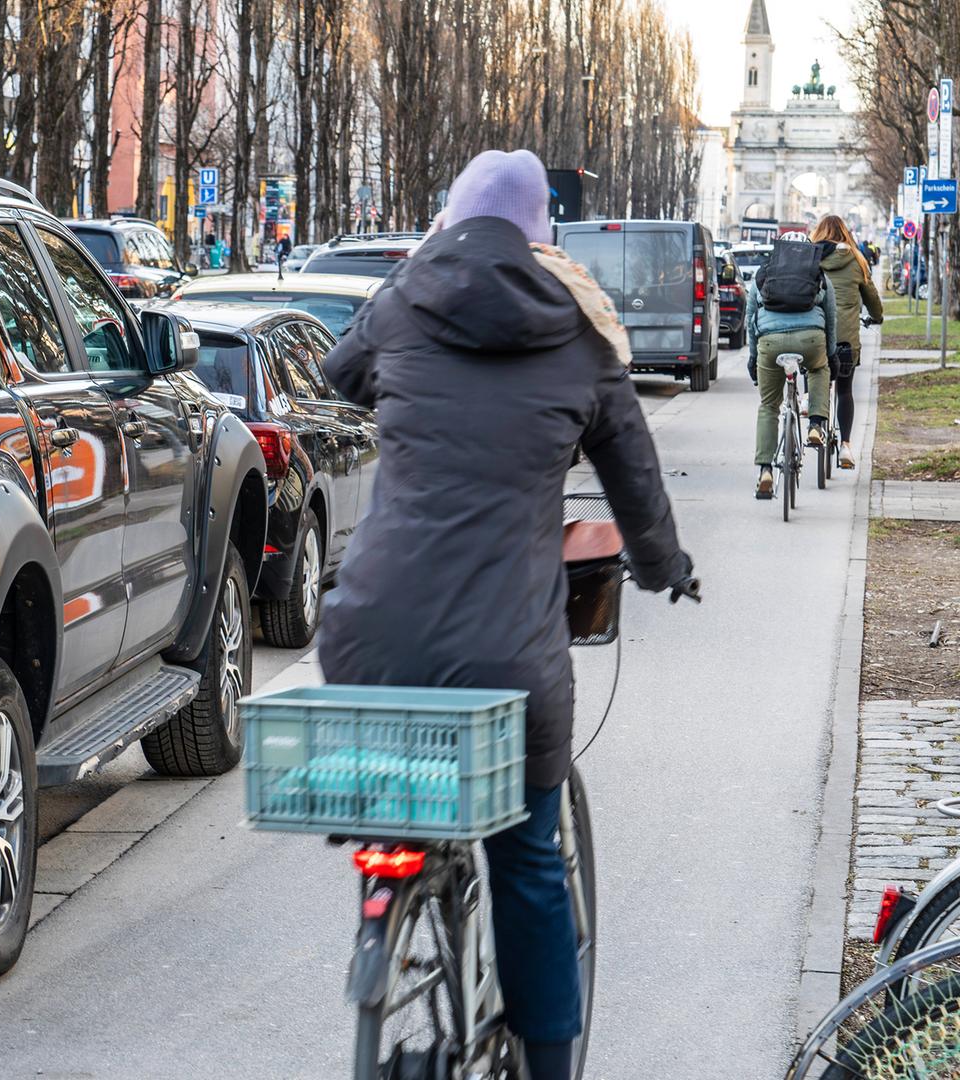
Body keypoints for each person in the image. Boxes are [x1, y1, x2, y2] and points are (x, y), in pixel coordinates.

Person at [321, 148, 696, 1080]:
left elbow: (341, 374)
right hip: (508, 660)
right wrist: (664, 568)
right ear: (545, 233)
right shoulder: (579, 333)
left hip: (366, 639)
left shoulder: (404, 300)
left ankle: (393, 924)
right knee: (527, 858)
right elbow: (636, 486)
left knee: (401, 805)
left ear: (450, 218)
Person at [745, 239, 837, 498]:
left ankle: (765, 470)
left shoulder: (763, 273)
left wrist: (753, 357)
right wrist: (829, 355)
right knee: (819, 370)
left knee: (768, 405)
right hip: (810, 339)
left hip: (770, 342)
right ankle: (816, 424)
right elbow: (831, 317)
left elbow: (750, 318)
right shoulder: (817, 274)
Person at [812, 214, 885, 470]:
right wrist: (877, 317)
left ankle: (814, 421)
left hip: (815, 333)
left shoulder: (809, 257)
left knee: (813, 370)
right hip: (845, 339)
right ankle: (845, 446)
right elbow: (872, 297)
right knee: (844, 390)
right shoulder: (856, 259)